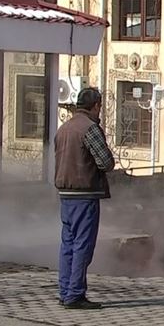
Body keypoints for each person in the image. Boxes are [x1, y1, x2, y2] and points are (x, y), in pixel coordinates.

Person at [54, 87, 115, 309]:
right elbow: (106, 163)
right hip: (85, 194)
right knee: (83, 246)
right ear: (96, 106)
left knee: (67, 245)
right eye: (100, 106)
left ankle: (65, 291)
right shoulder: (89, 129)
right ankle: (75, 295)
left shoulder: (64, 128)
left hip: (65, 195)